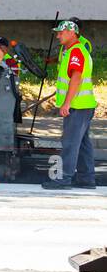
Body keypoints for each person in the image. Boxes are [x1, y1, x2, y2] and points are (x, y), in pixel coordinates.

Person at [42, 20, 97, 191]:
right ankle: (86, 178)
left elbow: (76, 77)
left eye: (61, 32)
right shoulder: (72, 51)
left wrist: (66, 103)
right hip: (84, 105)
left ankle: (64, 178)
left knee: (70, 143)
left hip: (78, 106)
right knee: (82, 144)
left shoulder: (76, 52)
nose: (58, 35)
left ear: (72, 33)